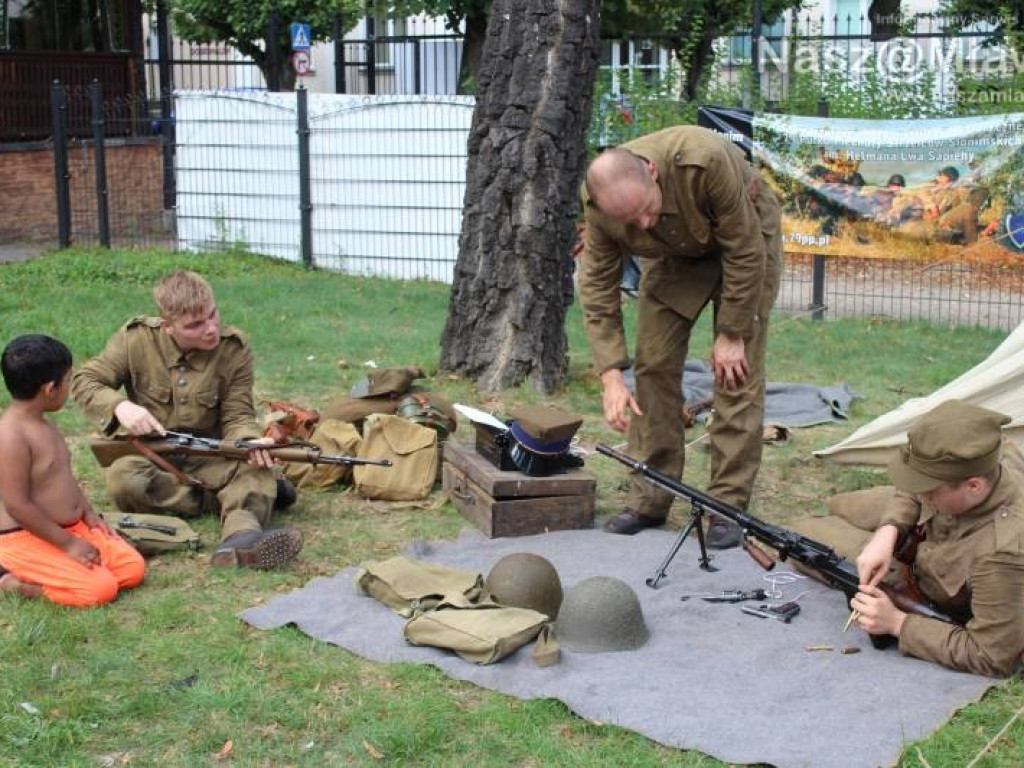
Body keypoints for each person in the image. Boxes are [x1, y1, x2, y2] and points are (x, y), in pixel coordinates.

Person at [577, 126, 783, 548]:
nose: (644, 225)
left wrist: (732, 332)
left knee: (735, 373)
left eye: (648, 211)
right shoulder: (601, 208)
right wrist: (611, 374)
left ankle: (727, 506)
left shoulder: (702, 161)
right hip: (675, 255)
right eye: (631, 222)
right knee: (651, 365)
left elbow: (744, 251)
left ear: (652, 171)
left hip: (745, 240)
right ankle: (650, 497)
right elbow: (597, 286)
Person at [71, 270, 302, 570]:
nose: (210, 329)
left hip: (213, 456)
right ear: (167, 326)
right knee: (123, 479)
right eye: (195, 324)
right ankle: (230, 497)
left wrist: (247, 441)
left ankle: (242, 538)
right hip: (155, 457)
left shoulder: (234, 349)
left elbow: (238, 413)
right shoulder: (135, 341)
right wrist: (120, 407)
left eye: (212, 315)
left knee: (254, 469)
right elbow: (85, 380)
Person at [801, 400, 1024, 677]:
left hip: (919, 578)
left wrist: (897, 623)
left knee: (806, 531)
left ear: (974, 486)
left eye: (928, 489)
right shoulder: (985, 452)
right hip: (930, 520)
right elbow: (915, 484)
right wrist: (888, 531)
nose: (920, 491)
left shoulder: (1002, 556)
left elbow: (990, 655)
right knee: (839, 504)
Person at [0, 334, 145, 606]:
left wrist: (89, 513)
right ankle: (13, 582)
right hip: (28, 537)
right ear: (49, 389)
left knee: (131, 569)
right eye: (68, 380)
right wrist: (68, 544)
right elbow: (17, 505)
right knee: (99, 591)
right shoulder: (10, 437)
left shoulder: (45, 424)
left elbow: (63, 477)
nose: (69, 387)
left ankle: (70, 568)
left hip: (71, 528)